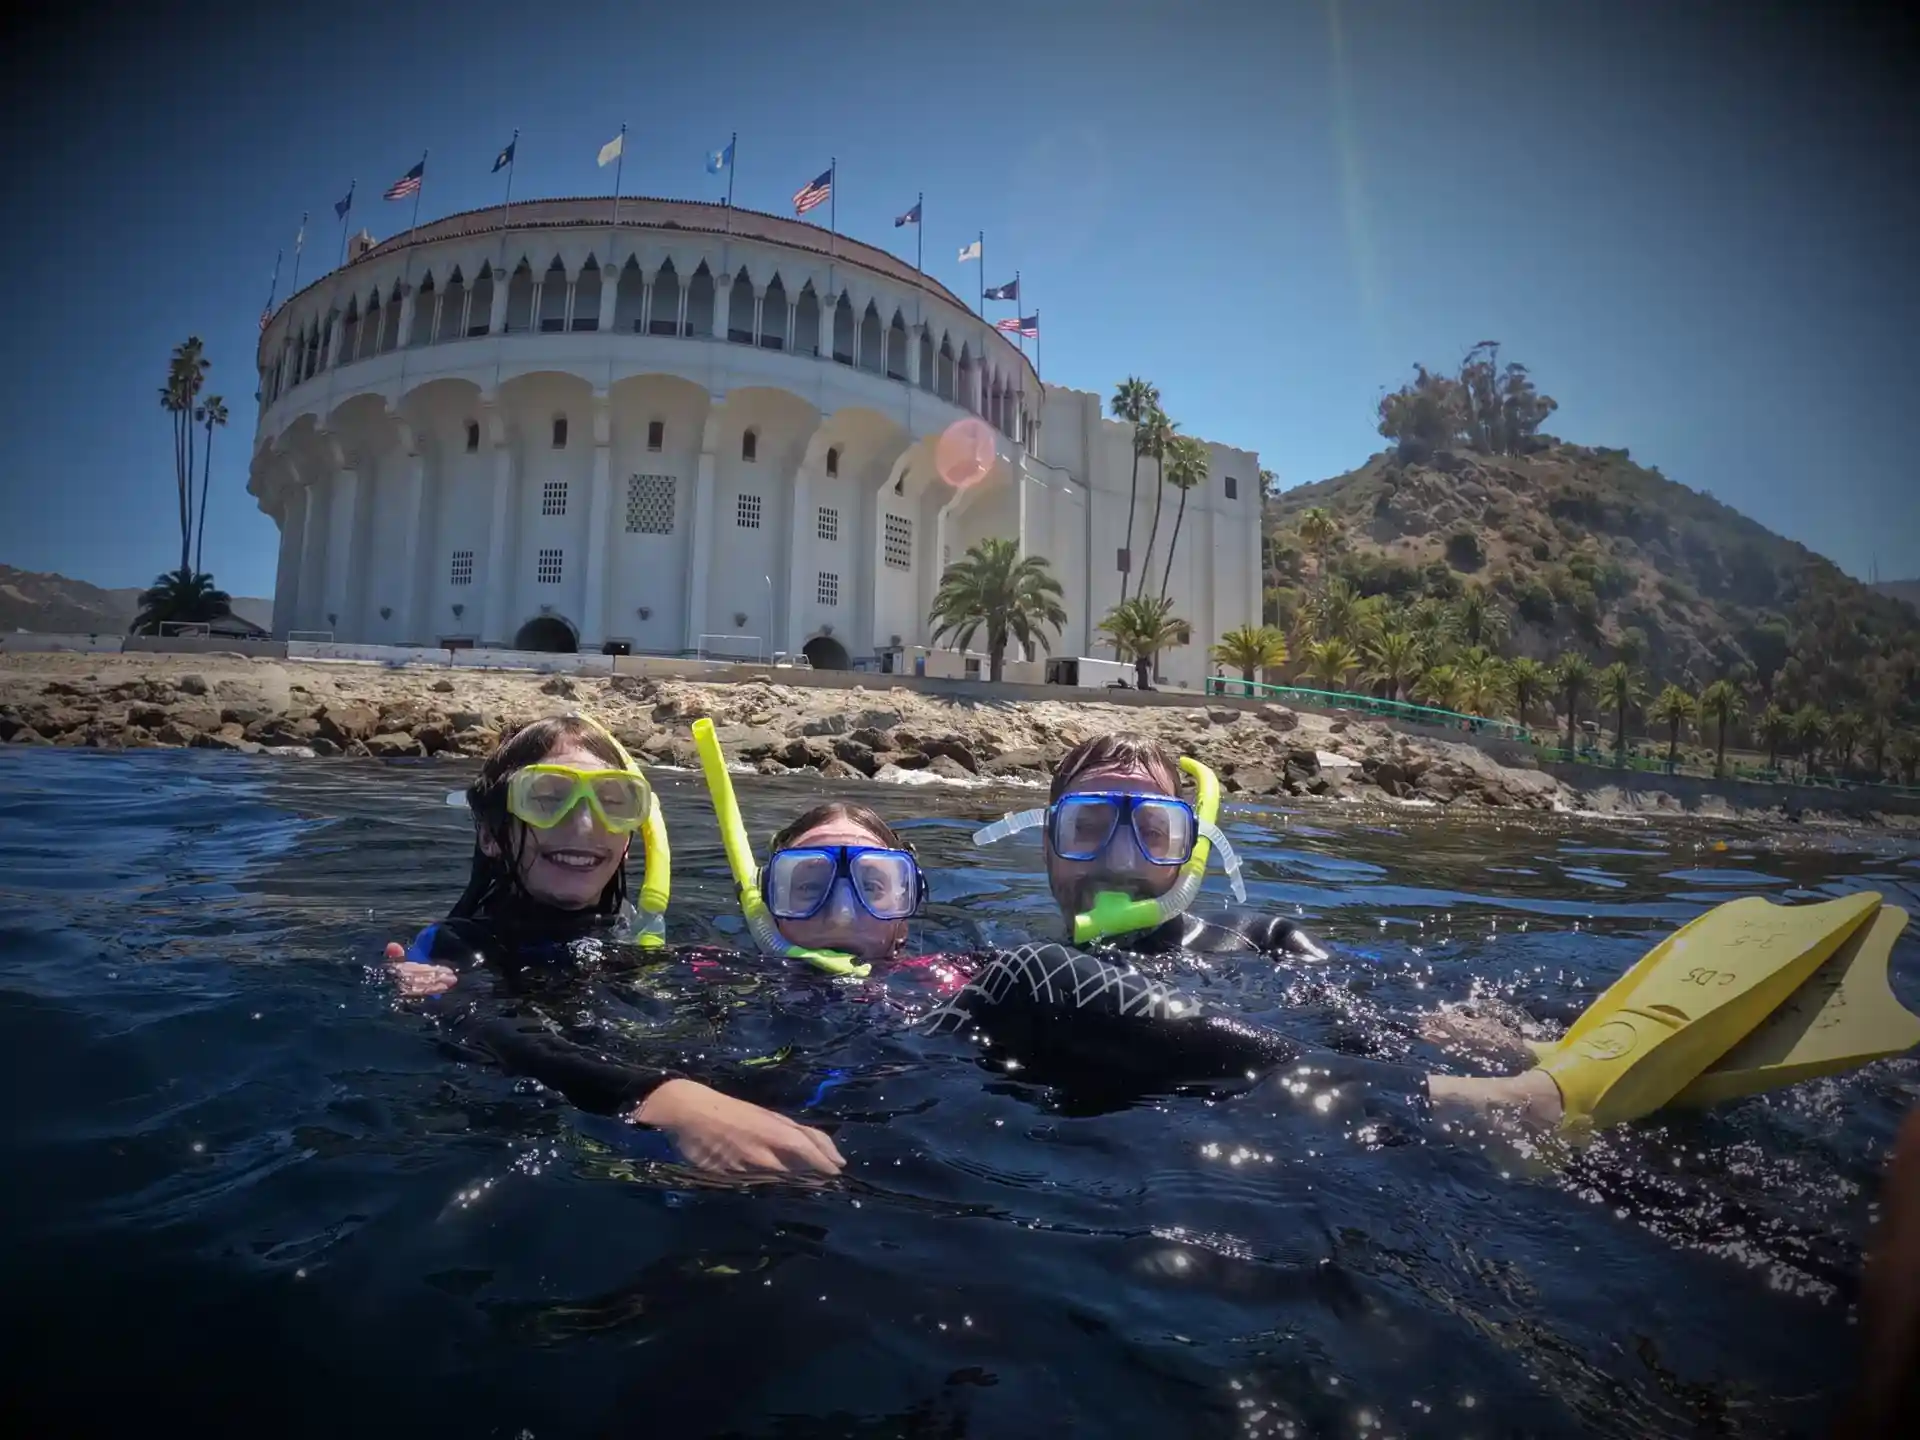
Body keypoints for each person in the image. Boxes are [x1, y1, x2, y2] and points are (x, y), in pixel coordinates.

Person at [386, 714, 845, 1179]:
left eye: (613, 802)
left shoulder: (644, 948)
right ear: (489, 834)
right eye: (547, 798)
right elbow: (494, 1027)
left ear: (628, 839)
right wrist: (664, 1098)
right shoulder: (452, 946)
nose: (585, 822)